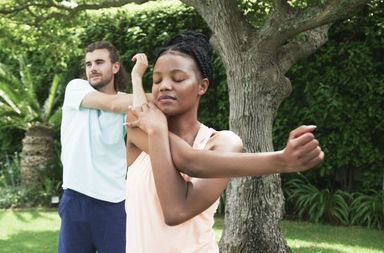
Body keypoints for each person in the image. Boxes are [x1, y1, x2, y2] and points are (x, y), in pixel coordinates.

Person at [124, 31, 324, 252]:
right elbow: (184, 159)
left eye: (178, 78)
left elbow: (177, 208)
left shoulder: (222, 142)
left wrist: (159, 131)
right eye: (157, 79)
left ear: (202, 86)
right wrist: (281, 161)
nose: (164, 86)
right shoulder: (139, 127)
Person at [58, 41, 149, 253]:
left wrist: (137, 78)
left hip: (114, 204)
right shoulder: (76, 89)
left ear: (115, 67)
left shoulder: (128, 103)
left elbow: (142, 108)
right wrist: (152, 92)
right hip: (75, 200)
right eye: (88, 64)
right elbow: (113, 104)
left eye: (99, 62)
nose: (93, 68)